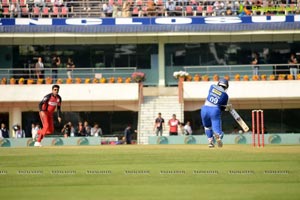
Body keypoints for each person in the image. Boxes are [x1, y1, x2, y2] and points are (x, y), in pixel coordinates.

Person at [200, 78, 230, 148]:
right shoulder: (225, 95)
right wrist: (227, 108)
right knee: (216, 129)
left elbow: (212, 95)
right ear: (226, 86)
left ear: (219, 83)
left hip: (204, 109)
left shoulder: (212, 86)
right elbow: (222, 108)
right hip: (214, 110)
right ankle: (218, 136)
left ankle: (210, 142)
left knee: (207, 127)